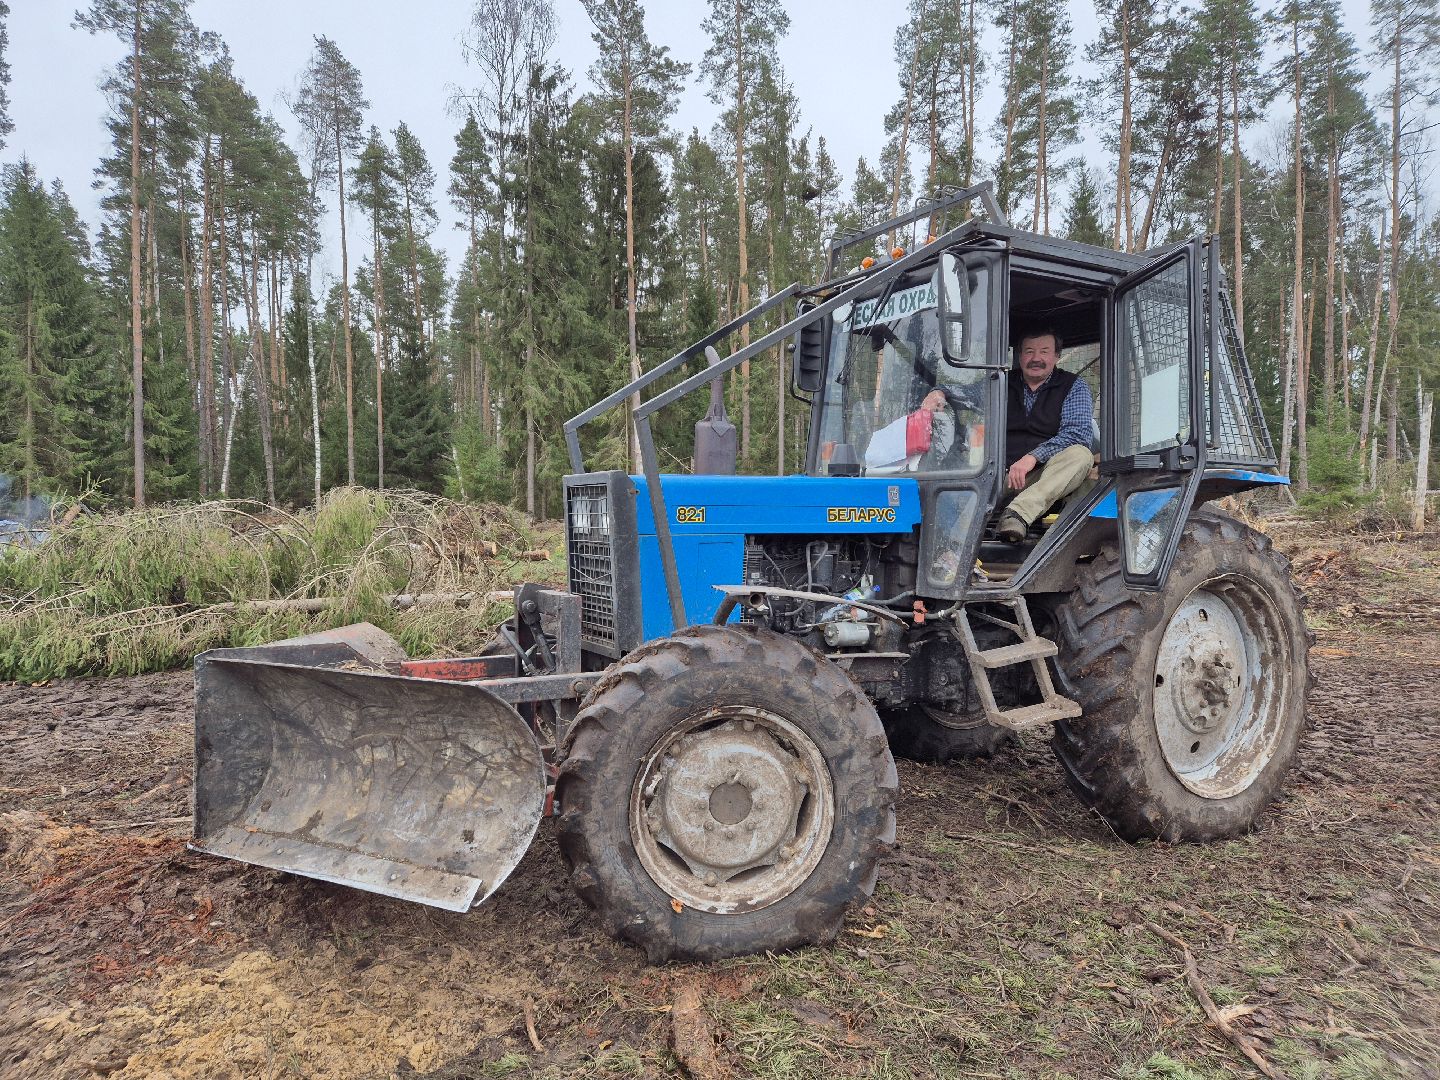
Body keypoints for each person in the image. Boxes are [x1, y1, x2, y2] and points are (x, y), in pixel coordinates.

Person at [997, 329, 1095, 543]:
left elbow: (1077, 434)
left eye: (1044, 351)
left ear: (1056, 356)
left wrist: (1032, 457)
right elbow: (966, 393)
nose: (1036, 358)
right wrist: (938, 393)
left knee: (1081, 454)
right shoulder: (1000, 383)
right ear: (1020, 355)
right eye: (1029, 351)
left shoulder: (1073, 386)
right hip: (996, 476)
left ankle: (1017, 515)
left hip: (1042, 476)